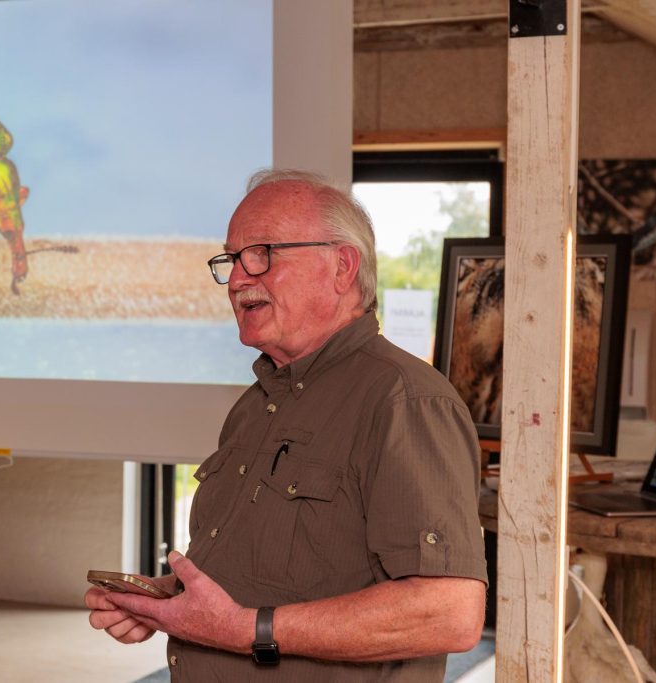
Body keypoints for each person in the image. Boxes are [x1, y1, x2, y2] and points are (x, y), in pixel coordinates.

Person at [85, 169, 487, 681]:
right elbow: (272, 576)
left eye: (262, 254)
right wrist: (166, 601)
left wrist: (243, 629)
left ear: (342, 266)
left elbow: (448, 614)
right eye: (231, 259)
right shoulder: (257, 406)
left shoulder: (404, 401)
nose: (236, 279)